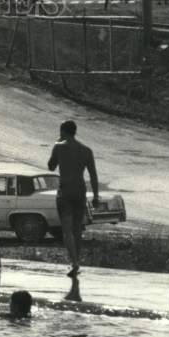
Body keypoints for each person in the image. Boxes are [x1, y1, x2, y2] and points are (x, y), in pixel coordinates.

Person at [47, 119, 99, 301]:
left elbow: (51, 166)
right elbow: (93, 174)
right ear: (75, 132)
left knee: (66, 230)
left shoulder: (59, 146)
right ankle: (77, 261)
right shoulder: (86, 150)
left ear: (63, 131)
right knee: (77, 230)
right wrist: (97, 196)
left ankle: (74, 261)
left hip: (65, 192)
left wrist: (57, 144)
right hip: (80, 192)